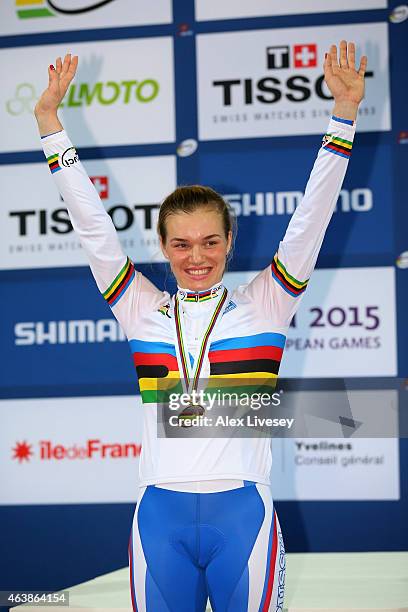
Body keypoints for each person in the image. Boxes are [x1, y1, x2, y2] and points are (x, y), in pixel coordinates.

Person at [34, 40, 367, 611]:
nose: (197, 256)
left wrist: (343, 119)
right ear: (163, 248)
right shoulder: (139, 308)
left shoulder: (266, 303)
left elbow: (312, 220)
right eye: (182, 244)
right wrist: (50, 126)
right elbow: (94, 229)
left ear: (230, 242)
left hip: (244, 515)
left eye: (211, 241)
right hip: (157, 515)